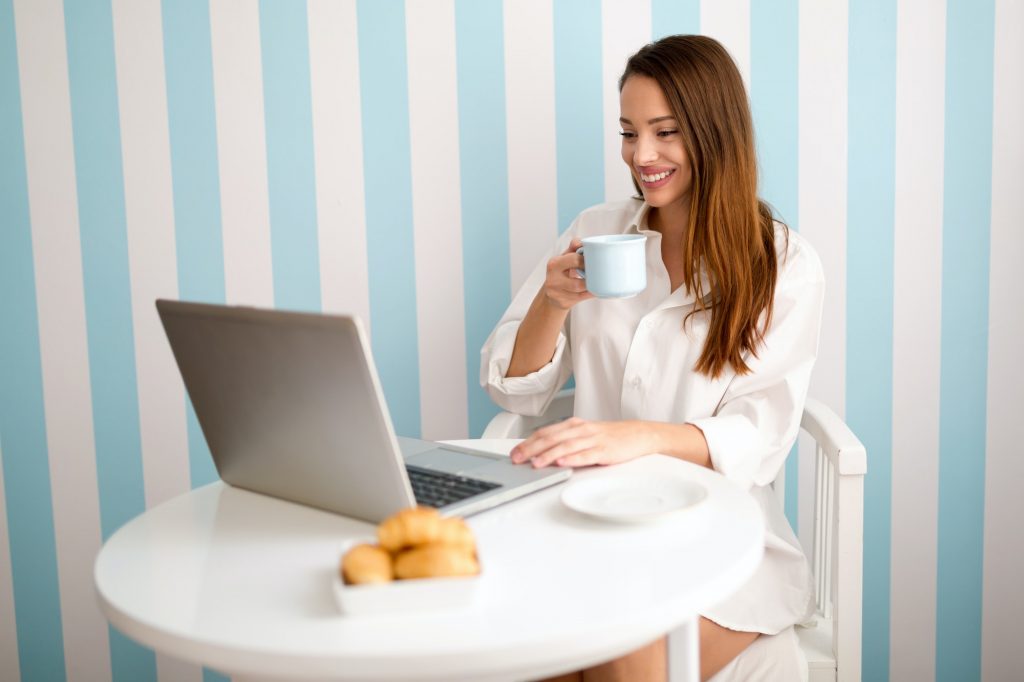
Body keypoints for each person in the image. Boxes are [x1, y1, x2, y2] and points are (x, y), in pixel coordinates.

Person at [480, 35, 823, 682]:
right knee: (538, 657)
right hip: (591, 524)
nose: (641, 155)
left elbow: (760, 435)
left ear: (714, 132)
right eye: (628, 132)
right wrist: (551, 303)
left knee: (622, 658)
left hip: (721, 541)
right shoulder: (596, 229)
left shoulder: (784, 265)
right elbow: (516, 390)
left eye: (665, 132)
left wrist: (634, 438)